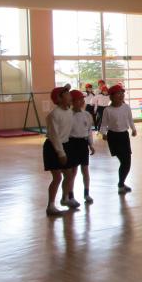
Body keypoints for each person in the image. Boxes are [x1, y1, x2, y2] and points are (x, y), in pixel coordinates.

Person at [99, 84, 137, 194]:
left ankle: (121, 184)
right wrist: (103, 133)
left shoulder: (126, 107)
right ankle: (121, 184)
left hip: (124, 136)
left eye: (122, 93)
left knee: (126, 162)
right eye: (118, 93)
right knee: (124, 161)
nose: (121, 95)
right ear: (111, 96)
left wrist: (133, 129)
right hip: (113, 137)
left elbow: (130, 119)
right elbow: (103, 124)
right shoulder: (108, 110)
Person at [44, 86, 74, 216]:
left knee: (69, 175)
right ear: (59, 98)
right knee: (57, 177)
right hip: (53, 147)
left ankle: (65, 198)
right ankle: (50, 206)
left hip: (65, 145)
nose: (70, 96)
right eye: (66, 94)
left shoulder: (69, 112)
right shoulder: (54, 114)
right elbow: (54, 136)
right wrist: (60, 153)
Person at [65, 90, 95, 206]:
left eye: (82, 99)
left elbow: (89, 131)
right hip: (72, 143)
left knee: (85, 170)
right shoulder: (68, 115)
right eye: (78, 100)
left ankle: (86, 193)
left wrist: (91, 144)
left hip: (83, 143)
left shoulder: (87, 115)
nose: (82, 102)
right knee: (73, 171)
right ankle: (70, 195)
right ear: (72, 102)